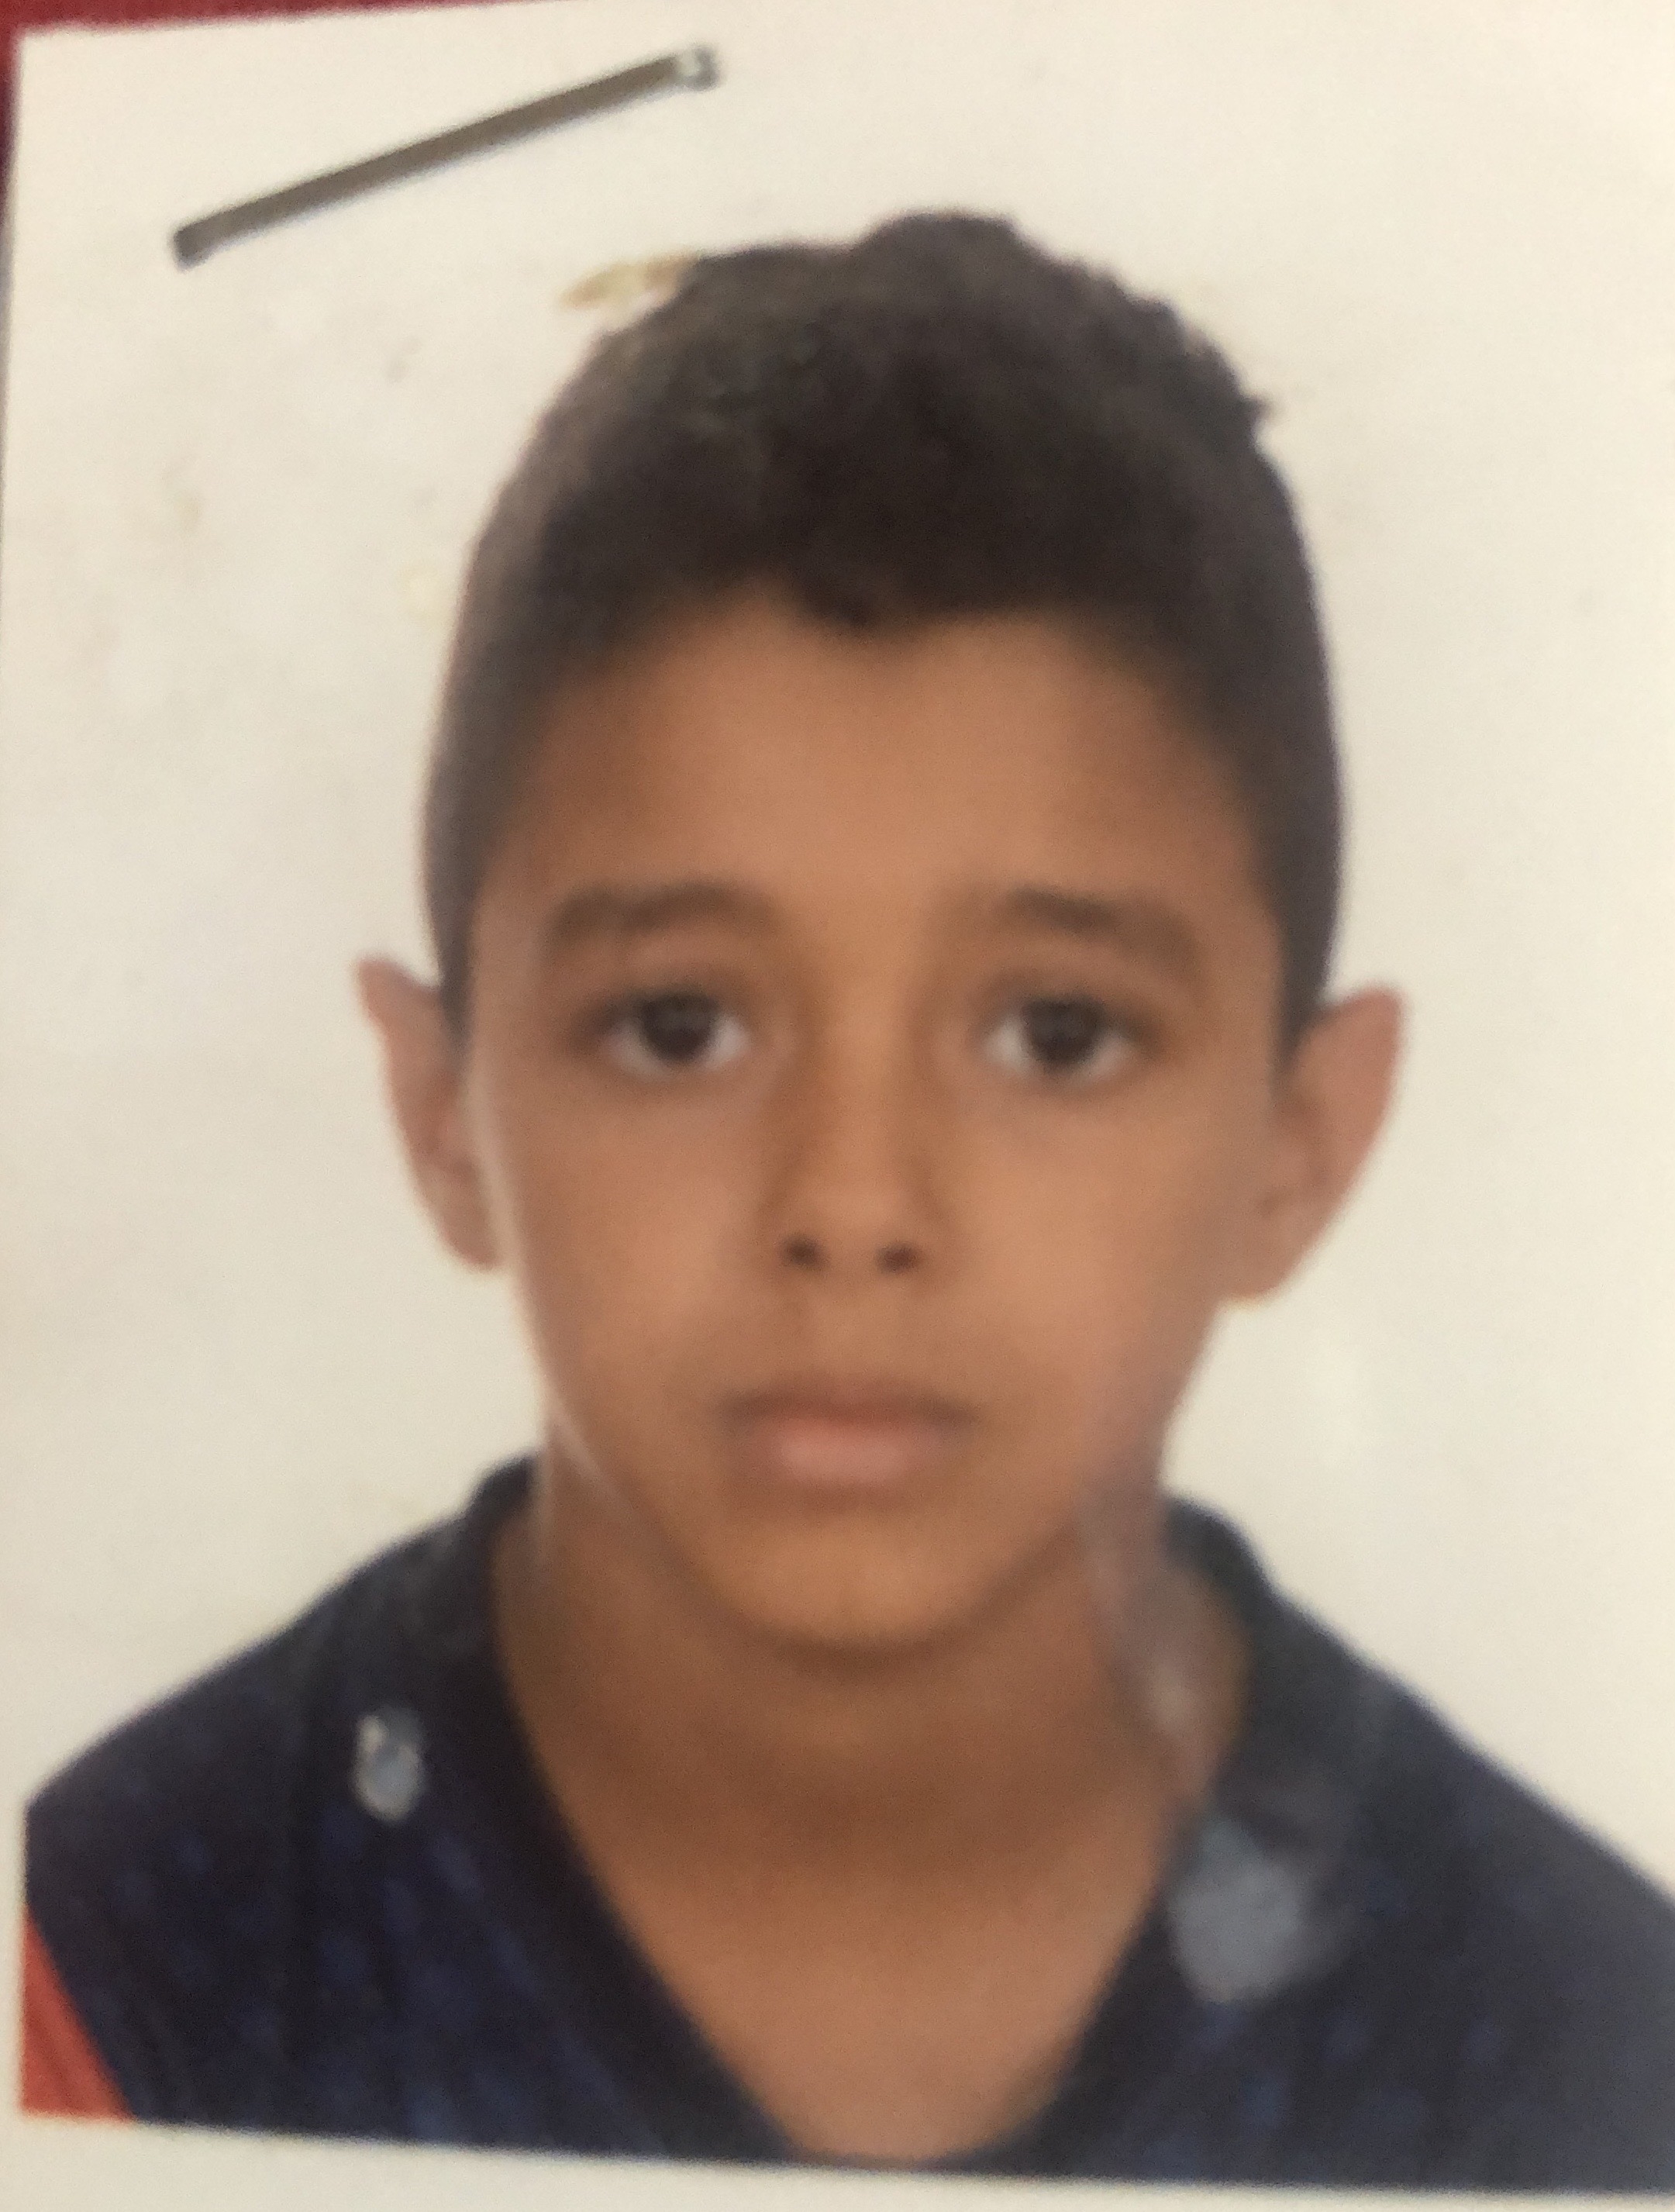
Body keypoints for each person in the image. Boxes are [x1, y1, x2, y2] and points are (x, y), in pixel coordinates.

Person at [21, 212, 1675, 2185]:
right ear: (441, 1109)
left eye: (1056, 1033)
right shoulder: (111, 1989)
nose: (854, 1203)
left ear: (1299, 1140)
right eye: (680, 1026)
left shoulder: (1584, 2055)